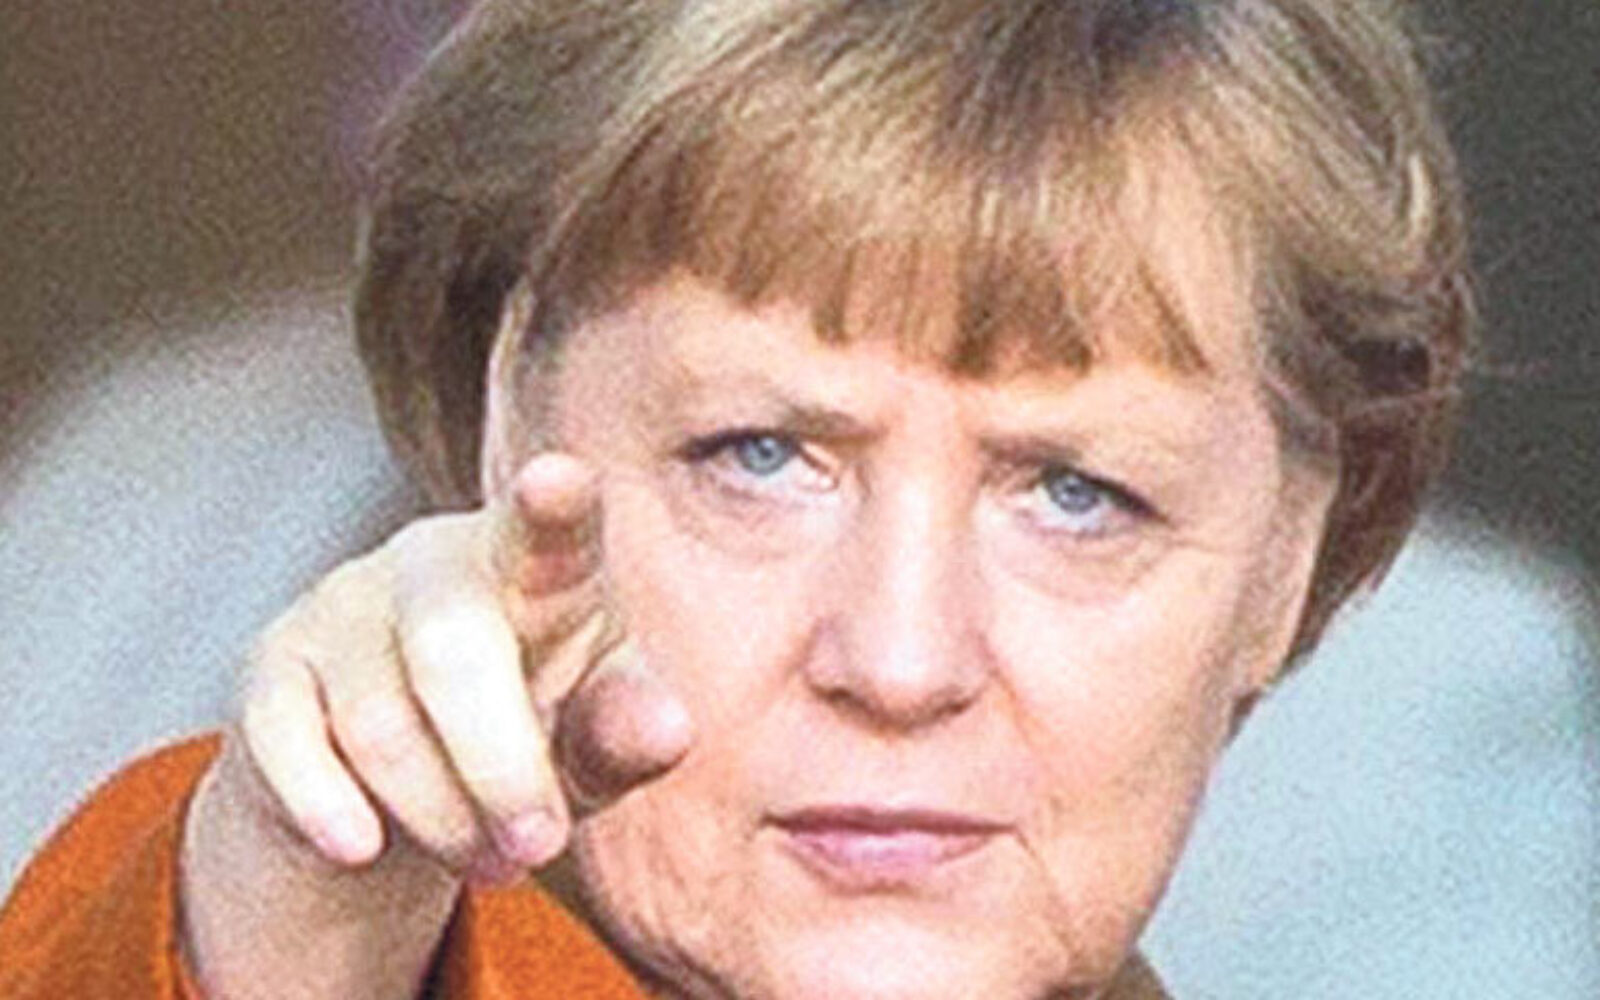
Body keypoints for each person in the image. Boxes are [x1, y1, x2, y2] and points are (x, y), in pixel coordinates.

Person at [0, 1, 1473, 997]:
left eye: (1078, 493)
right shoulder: (268, 934)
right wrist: (283, 929)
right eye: (758, 455)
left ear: (1291, 558)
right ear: (506, 419)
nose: (900, 662)